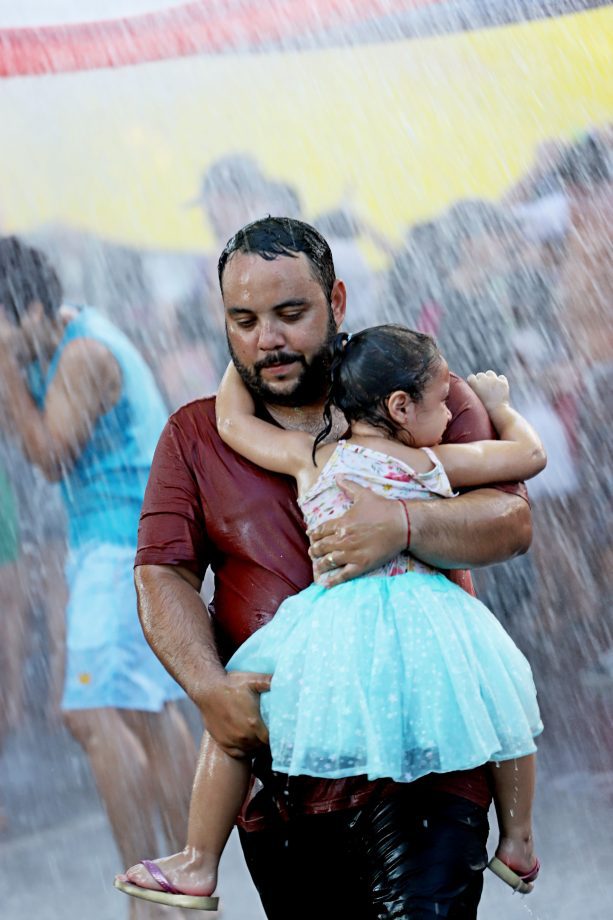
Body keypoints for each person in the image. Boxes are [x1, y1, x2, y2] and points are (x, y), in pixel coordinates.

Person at [116, 217, 535, 920]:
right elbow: (164, 573)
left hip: (428, 767)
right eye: (244, 321)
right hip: (284, 774)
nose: (267, 339)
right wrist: (209, 688)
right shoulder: (195, 433)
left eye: (289, 314)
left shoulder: (422, 397)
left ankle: (520, 836)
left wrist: (403, 524)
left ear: (337, 300)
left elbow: (511, 522)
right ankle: (195, 861)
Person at [0, 237, 197, 920]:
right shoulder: (56, 338)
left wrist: (5, 372)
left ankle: (151, 897)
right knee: (148, 714)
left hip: (122, 549)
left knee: (89, 714)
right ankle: (182, 889)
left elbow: (48, 455)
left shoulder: (82, 355)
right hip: (129, 546)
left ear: (27, 312)